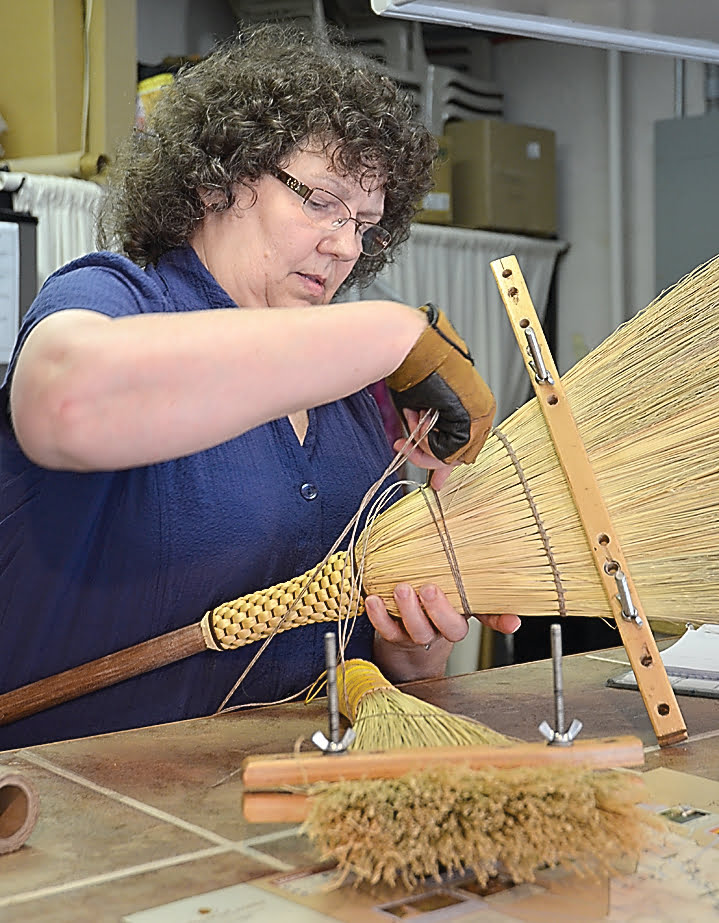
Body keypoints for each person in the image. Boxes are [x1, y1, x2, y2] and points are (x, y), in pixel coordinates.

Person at [0, 23, 519, 751]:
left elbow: (362, 653)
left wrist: (411, 650)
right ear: (219, 177)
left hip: (287, 814)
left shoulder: (353, 393)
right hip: (79, 819)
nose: (345, 246)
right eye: (321, 201)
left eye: (365, 223)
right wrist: (391, 331)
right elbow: (66, 403)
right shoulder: (117, 296)